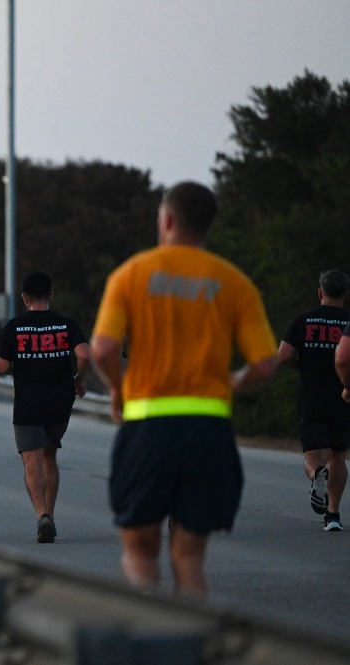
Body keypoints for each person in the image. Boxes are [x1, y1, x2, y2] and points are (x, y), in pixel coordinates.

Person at [90, 181, 278, 597]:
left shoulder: (131, 275)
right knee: (190, 557)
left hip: (147, 430)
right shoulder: (234, 283)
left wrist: (119, 391)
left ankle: (149, 642)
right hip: (208, 433)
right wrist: (235, 381)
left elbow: (102, 348)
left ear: (168, 219)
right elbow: (266, 363)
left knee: (140, 552)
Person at [0, 270, 90, 543]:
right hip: (60, 401)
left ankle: (41, 516)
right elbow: (84, 353)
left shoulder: (14, 327)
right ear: (50, 294)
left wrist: (21, 361)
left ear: (24, 298)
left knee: (31, 460)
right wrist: (80, 378)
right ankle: (51, 512)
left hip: (28, 403)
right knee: (50, 456)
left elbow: (2, 367)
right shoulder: (66, 324)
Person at [278, 270, 350, 532]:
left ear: (320, 292)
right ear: (345, 293)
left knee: (313, 457)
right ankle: (333, 516)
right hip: (344, 398)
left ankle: (316, 475)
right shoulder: (348, 322)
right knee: (338, 456)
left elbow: (283, 355)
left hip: (312, 399)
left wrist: (303, 364)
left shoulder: (303, 321)